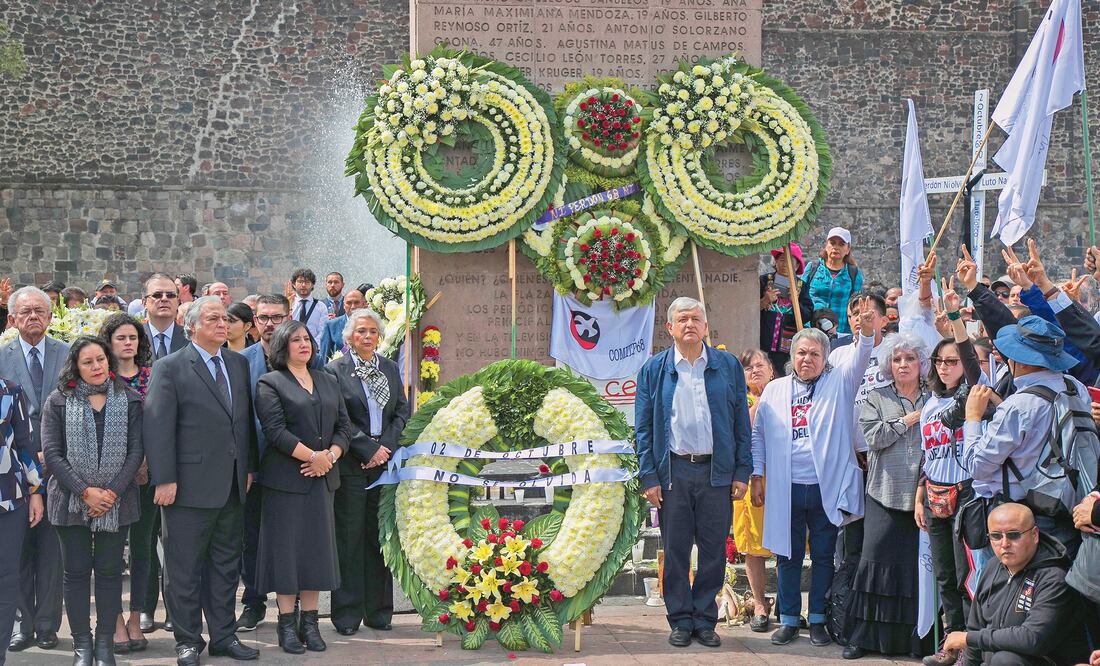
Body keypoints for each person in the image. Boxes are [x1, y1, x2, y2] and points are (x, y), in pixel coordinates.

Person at [750, 300, 877, 647]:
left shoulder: (841, 383)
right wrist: (757, 476)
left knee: (823, 556)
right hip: (785, 486)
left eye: (815, 354)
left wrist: (866, 332)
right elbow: (758, 436)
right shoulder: (774, 391)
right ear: (792, 356)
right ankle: (789, 618)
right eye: (801, 353)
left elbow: (863, 354)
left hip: (825, 485)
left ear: (826, 359)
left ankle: (818, 618)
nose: (807, 359)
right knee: (787, 556)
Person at [143, 296, 259, 665]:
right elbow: (158, 426)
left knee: (226, 567)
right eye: (212, 319)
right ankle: (188, 640)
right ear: (190, 326)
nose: (222, 324)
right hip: (187, 487)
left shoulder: (238, 364)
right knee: (183, 569)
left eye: (224, 319)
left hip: (231, 484)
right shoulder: (171, 367)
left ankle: (223, 635)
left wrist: (249, 467)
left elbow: (243, 423)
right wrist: (163, 479)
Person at [635, 297, 752, 649]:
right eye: (682, 319)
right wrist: (649, 477)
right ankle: (680, 620)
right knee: (675, 551)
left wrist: (742, 471)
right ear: (669, 327)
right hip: (674, 472)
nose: (689, 325)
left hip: (716, 472)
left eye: (696, 319)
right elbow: (643, 429)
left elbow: (739, 422)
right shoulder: (654, 370)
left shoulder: (726, 366)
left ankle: (705, 620)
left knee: (715, 551)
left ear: (705, 326)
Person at [40, 336, 144, 666]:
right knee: (76, 573)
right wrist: (85, 491)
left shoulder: (128, 399)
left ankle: (104, 646)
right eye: (88, 362)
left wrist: (111, 492)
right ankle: (82, 645)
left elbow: (136, 452)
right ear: (76, 367)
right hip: (70, 501)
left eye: (100, 359)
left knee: (111, 573)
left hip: (118, 500)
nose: (96, 366)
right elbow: (53, 455)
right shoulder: (58, 401)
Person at [254, 321, 352, 654]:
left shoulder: (328, 379)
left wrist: (330, 457)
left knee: (314, 553)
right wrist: (312, 456)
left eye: (307, 338)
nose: (303, 344)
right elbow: (275, 431)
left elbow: (344, 426)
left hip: (322, 479)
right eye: (295, 339)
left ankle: (310, 623)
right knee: (287, 554)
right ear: (283, 346)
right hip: (286, 482)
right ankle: (286, 625)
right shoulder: (270, 382)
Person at [964, 316, 1088, 554]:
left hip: (1017, 519)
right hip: (1068, 510)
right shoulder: (1075, 387)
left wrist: (972, 417)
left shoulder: (1019, 406)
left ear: (1018, 360)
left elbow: (977, 466)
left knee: (1010, 589)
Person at [842, 332, 930, 659]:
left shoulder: (934, 398)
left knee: (914, 569)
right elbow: (874, 437)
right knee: (873, 564)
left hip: (923, 496)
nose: (903, 364)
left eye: (909, 359)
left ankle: (915, 641)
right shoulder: (876, 398)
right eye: (897, 359)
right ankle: (862, 638)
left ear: (921, 363)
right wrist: (909, 419)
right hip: (882, 492)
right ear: (888, 365)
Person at [916, 263, 985, 666]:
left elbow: (973, 366)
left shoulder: (975, 395)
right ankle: (950, 646)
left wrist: (956, 319)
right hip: (935, 493)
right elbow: (926, 454)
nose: (946, 367)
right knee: (944, 575)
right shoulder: (928, 406)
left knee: (966, 576)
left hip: (967, 494)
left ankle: (971, 649)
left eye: (952, 361)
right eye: (940, 362)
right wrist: (920, 495)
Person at [325, 309, 409, 635]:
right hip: (351, 465)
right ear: (350, 336)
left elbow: (401, 411)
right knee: (349, 539)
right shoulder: (336, 371)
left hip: (383, 467)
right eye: (361, 331)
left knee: (378, 539)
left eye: (373, 331)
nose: (368, 336)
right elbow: (338, 418)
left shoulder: (388, 368)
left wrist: (384, 447)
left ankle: (379, 612)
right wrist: (367, 448)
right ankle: (346, 615)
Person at [0, 286, 67, 653]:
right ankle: (20, 624)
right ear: (12, 319)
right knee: (17, 553)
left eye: (40, 311)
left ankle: (47, 624)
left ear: (51, 316)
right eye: (25, 312)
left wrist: (52, 452)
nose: (33, 318)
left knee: (52, 552)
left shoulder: (68, 353)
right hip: (13, 473)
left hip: (59, 465)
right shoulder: (1, 357)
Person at [943, 503, 1087, 666]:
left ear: (1034, 535)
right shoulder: (992, 567)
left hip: (1042, 661)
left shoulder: (1055, 577)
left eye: (1013, 535)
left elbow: (1033, 639)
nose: (1004, 544)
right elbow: (976, 628)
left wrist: (968, 639)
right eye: (996, 536)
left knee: (1004, 660)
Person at [99, 313, 155, 653]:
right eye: (120, 337)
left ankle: (138, 616)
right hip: (109, 477)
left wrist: (148, 461)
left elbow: (161, 423)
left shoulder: (154, 376)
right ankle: (115, 621)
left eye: (132, 337)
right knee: (110, 550)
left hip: (147, 475)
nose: (128, 343)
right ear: (109, 342)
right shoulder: (98, 377)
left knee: (143, 548)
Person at [235, 295, 291, 632]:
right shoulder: (241, 362)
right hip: (254, 467)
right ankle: (253, 603)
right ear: (253, 321)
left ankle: (294, 604)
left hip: (293, 467)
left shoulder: (305, 359)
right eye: (262, 317)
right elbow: (237, 419)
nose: (269, 325)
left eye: (276, 317)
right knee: (251, 538)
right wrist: (245, 466)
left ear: (289, 317)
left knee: (290, 537)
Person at [0, 376, 44, 666]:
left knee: (6, 581)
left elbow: (26, 444)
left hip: (10, 500)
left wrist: (37, 490)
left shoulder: (11, 390)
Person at [737, 349, 775, 632]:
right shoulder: (739, 400)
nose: (755, 370)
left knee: (789, 544)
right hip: (750, 478)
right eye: (748, 367)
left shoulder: (785, 394)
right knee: (753, 546)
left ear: (771, 369)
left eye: (760, 365)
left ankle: (788, 606)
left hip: (785, 476)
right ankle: (760, 605)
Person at [760, 243, 814, 376]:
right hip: (763, 341)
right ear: (775, 262)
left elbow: (807, 314)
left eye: (790, 261)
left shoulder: (801, 286)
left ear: (796, 266)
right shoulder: (764, 281)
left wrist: (795, 300)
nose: (785, 264)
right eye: (782, 260)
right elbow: (749, 310)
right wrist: (765, 300)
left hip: (786, 347)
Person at [801, 227, 864, 335]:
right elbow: (799, 294)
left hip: (840, 331)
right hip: (810, 328)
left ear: (848, 249)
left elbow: (857, 304)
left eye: (841, 244)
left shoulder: (853, 273)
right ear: (826, 246)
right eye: (832, 243)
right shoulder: (812, 268)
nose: (836, 247)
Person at [143, 274, 186, 361]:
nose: (164, 299)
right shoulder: (134, 337)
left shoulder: (190, 338)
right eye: (157, 295)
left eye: (170, 295)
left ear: (178, 302)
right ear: (144, 302)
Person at [317, 290, 365, 362]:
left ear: (363, 304)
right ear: (344, 305)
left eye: (356, 302)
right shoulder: (331, 325)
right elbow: (324, 357)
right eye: (349, 303)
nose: (353, 307)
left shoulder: (372, 324)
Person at [288, 269, 327, 344]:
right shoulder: (289, 304)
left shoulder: (321, 306)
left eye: (307, 282)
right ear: (293, 284)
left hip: (314, 347)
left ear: (312, 285)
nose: (303, 285)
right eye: (300, 282)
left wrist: (312, 345)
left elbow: (322, 331)